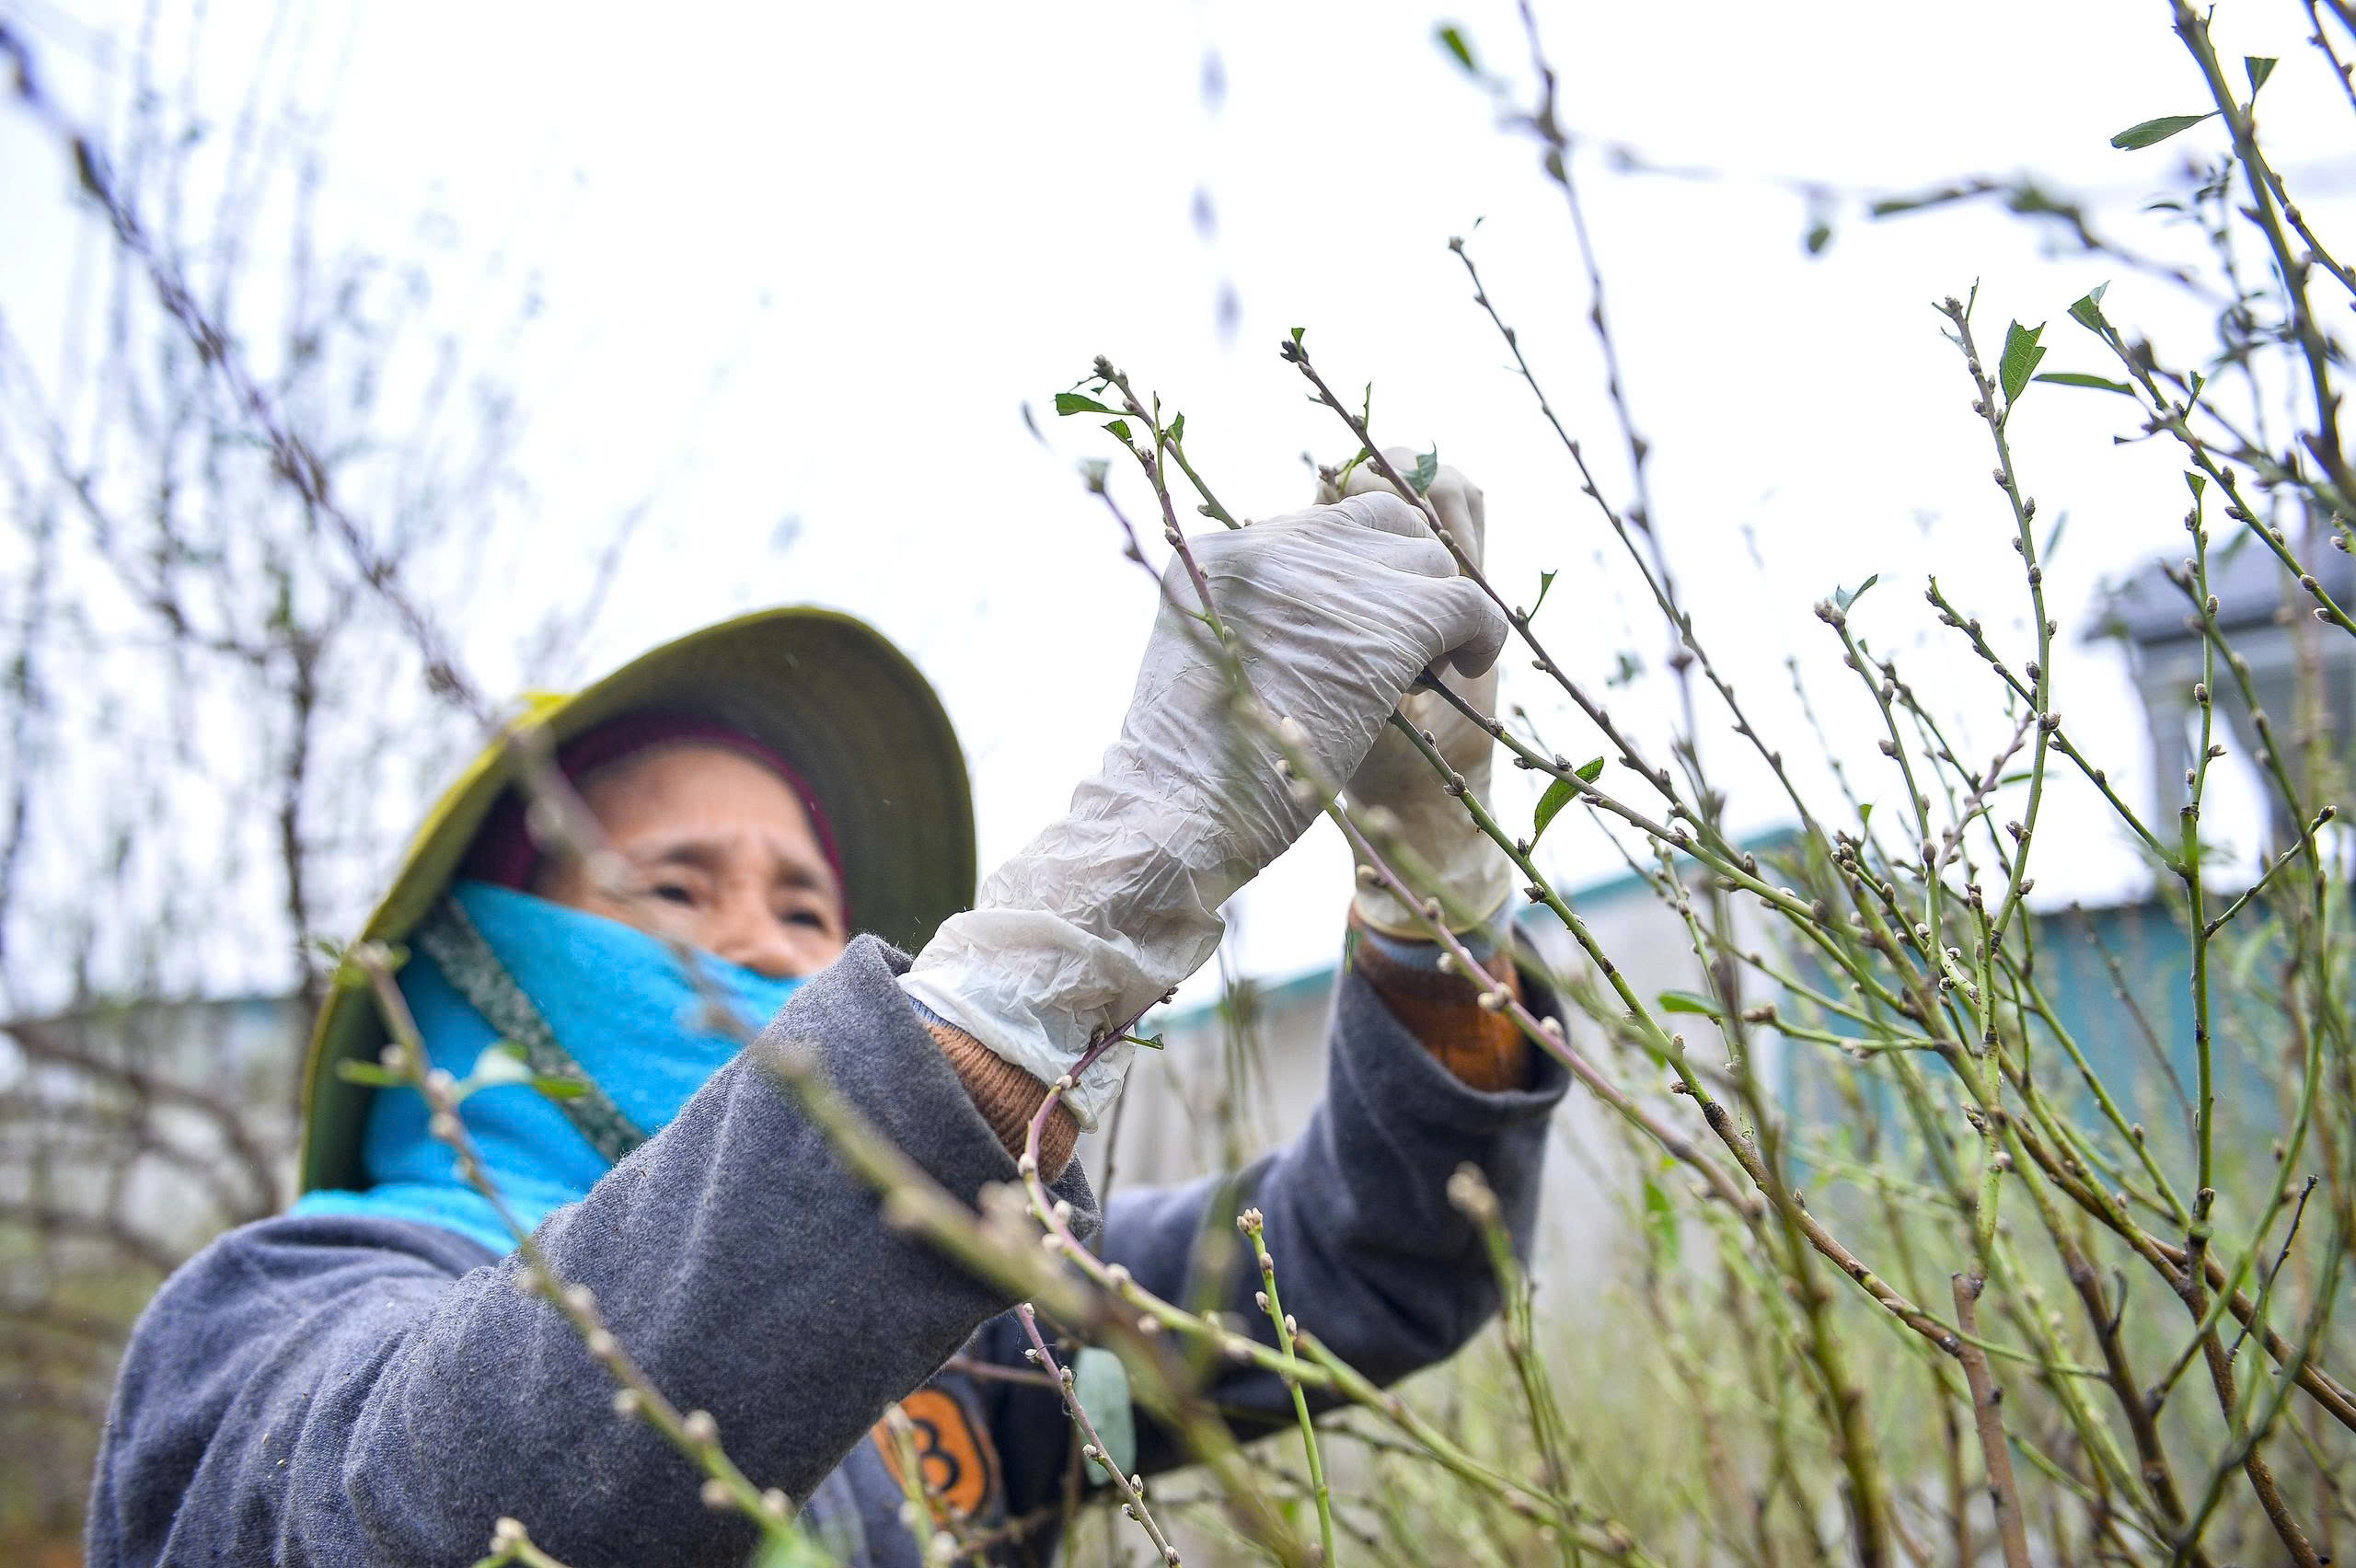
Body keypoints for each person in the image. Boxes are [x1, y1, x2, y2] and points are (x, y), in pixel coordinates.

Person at [86, 461, 1576, 1567]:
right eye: (674, 888)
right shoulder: (270, 1313)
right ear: (488, 960)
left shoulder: (981, 1354)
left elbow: (1379, 1260)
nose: (757, 945)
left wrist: (1429, 904)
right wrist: (1090, 917)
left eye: (806, 912)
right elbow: (405, 1516)